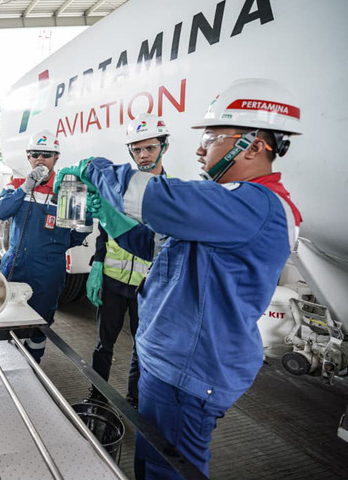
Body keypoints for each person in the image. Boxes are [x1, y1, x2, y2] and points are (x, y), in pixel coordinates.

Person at [56, 78, 302, 478]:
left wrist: (91, 167)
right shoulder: (229, 204)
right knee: (152, 459)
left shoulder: (255, 204)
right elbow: (155, 245)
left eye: (212, 137)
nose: (201, 149)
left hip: (188, 372)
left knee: (166, 470)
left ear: (254, 146)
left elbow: (153, 196)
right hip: (169, 359)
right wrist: (109, 218)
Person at [85, 113, 170, 409]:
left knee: (141, 346)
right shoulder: (119, 188)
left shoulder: (172, 194)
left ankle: (134, 400)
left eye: (150, 147)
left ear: (164, 147)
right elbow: (105, 230)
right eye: (137, 149)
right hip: (112, 281)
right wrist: (97, 263)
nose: (143, 155)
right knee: (103, 343)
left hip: (145, 287)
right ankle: (97, 395)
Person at [0, 129, 92, 362]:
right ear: (28, 157)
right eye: (35, 154)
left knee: (40, 322)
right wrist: (25, 188)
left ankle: (33, 365)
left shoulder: (67, 190)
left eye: (46, 155)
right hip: (15, 266)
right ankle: (9, 361)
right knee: (8, 317)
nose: (40, 159)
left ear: (56, 158)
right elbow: (2, 212)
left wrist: (55, 248)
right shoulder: (17, 185)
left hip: (47, 272)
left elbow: (79, 234)